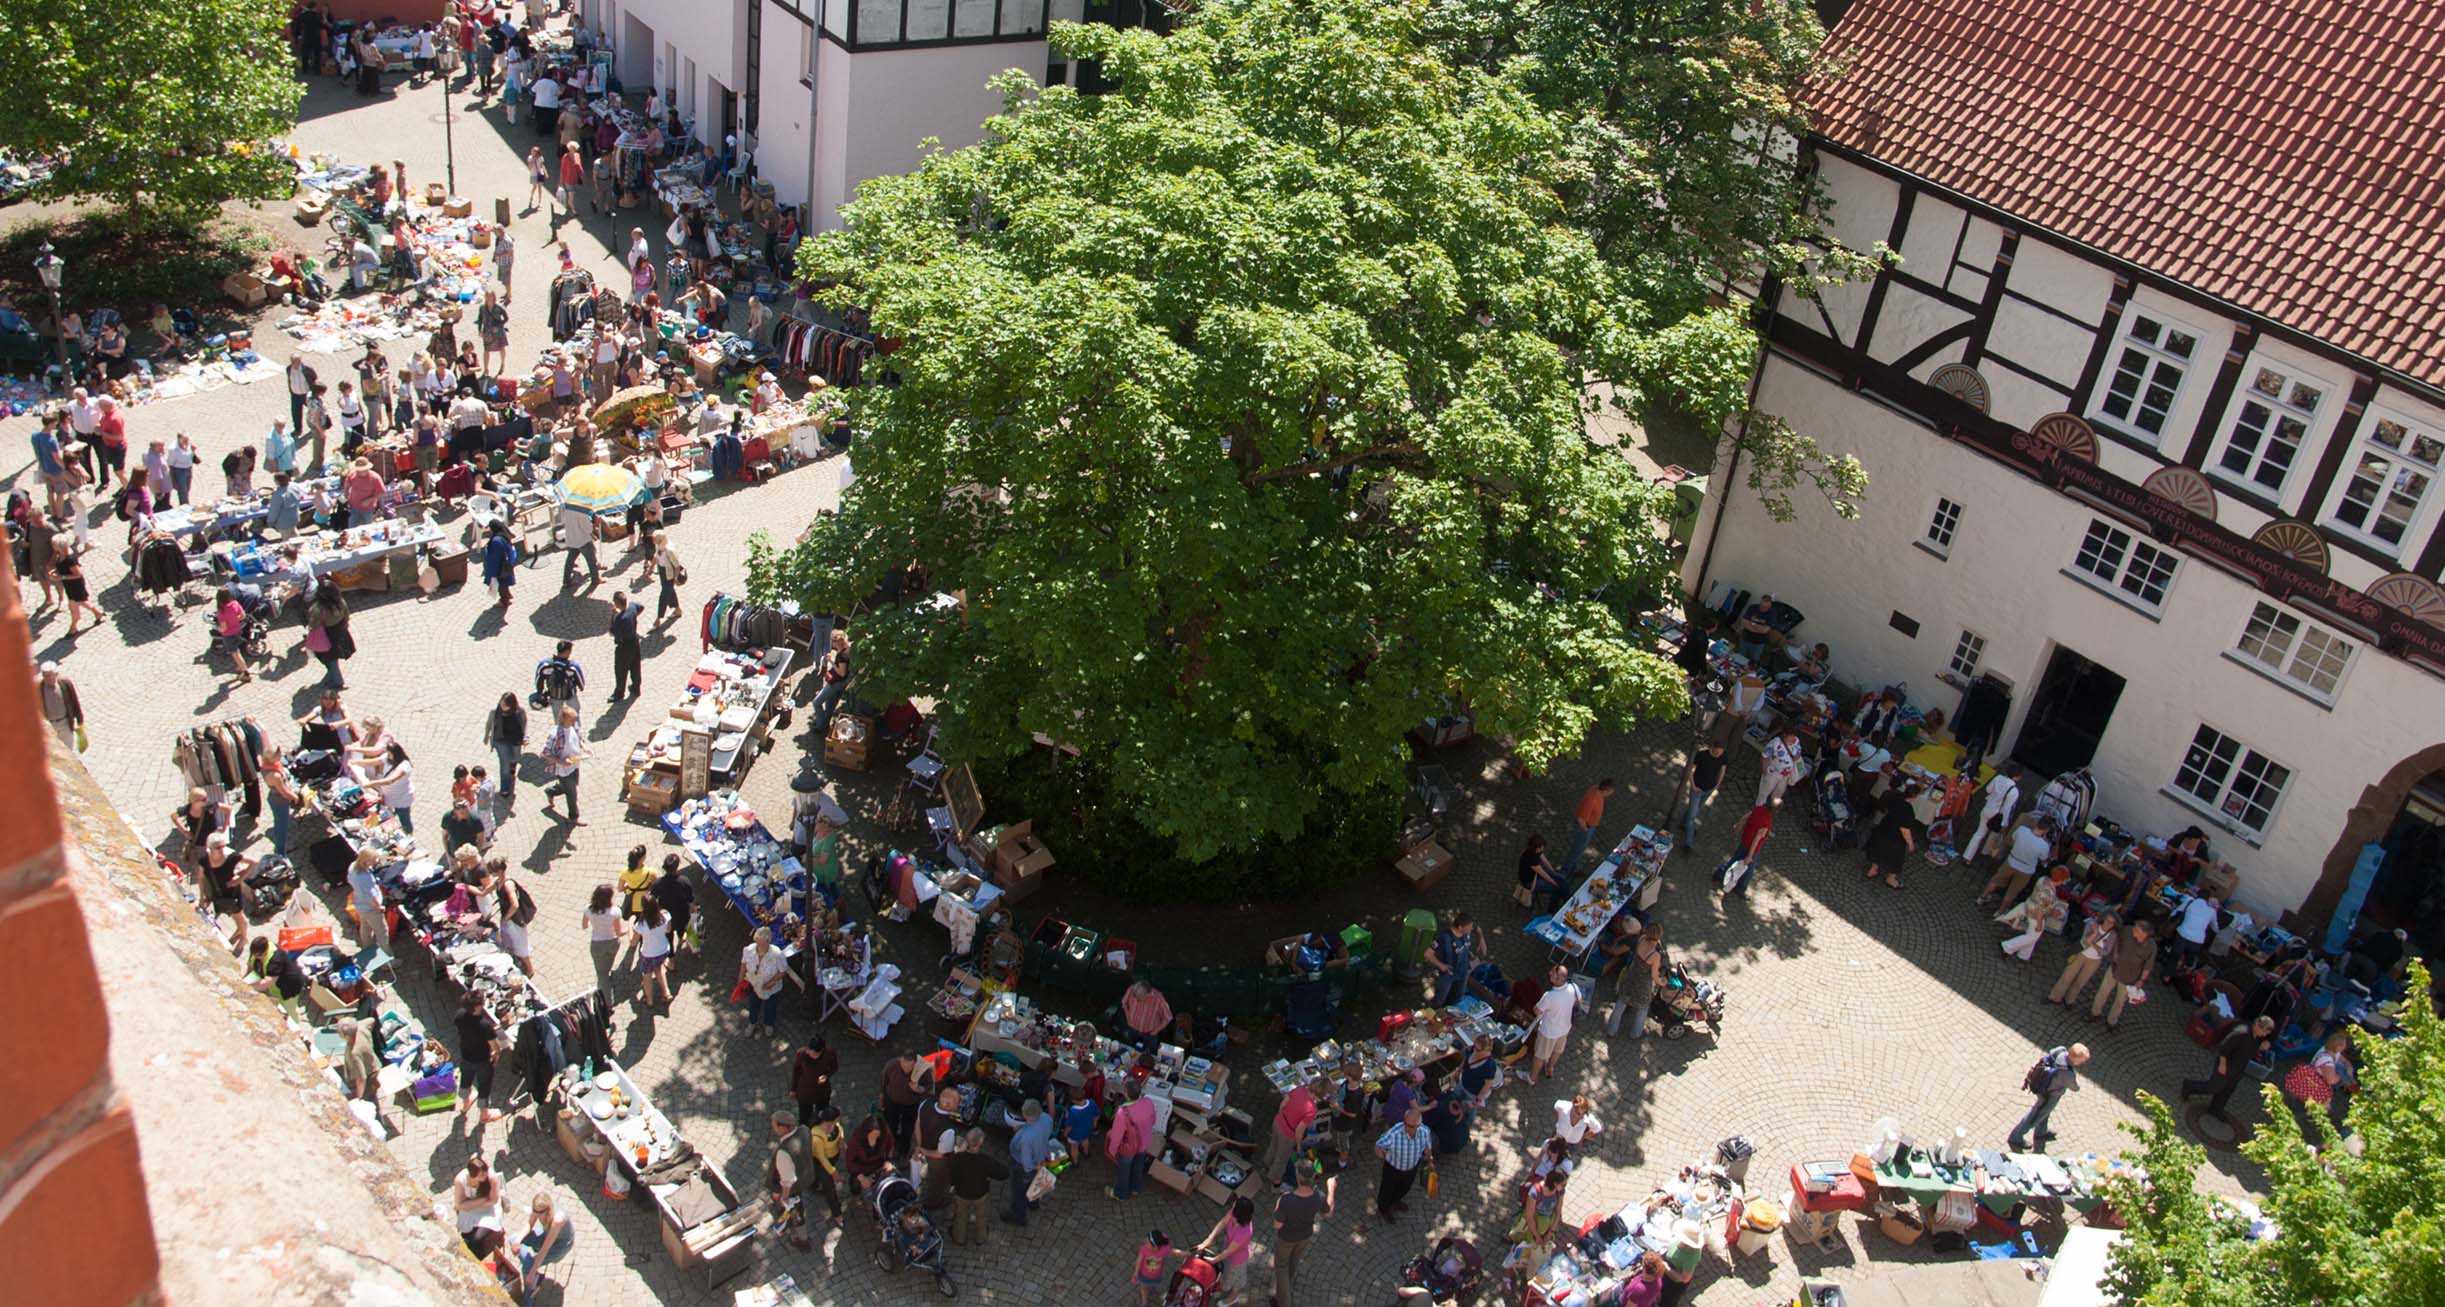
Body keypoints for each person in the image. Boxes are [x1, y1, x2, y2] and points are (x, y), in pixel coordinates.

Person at [2183, 1015, 2274, 1125]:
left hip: (2238, 1068)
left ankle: (2215, 1110)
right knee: (2213, 1087)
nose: (2264, 1035)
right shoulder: (2241, 1033)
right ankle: (2188, 1086)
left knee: (2227, 1090)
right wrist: (2222, 1064)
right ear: (2258, 1026)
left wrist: (2260, 1047)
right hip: (2226, 1064)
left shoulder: (2257, 1037)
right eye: (2264, 1032)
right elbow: (2224, 1047)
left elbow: (2248, 1049)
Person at [1272, 1159, 1332, 1305]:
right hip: (1305, 1237)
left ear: (1298, 1177)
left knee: (1281, 1266)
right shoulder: (1319, 1196)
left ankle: (1284, 1301)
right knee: (1294, 1260)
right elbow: (1328, 1213)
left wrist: (1278, 1205)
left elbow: (1277, 1225)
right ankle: (1287, 1284)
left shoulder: (1286, 1199)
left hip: (1286, 1238)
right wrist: (1331, 1189)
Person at [2009, 1043, 2088, 1151]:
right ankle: (2015, 1138)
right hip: (2049, 1096)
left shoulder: (2060, 1050)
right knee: (2034, 1117)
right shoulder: (2067, 1073)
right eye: (2082, 1060)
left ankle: (2041, 1132)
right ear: (2075, 1059)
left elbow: (2050, 1054)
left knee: (2045, 1113)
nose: (2083, 1062)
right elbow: (2075, 1088)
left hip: (2042, 1086)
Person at [2283, 1029, 2355, 1136]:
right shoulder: (2326, 1060)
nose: (2345, 1047)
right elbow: (2331, 1080)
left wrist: (2348, 1066)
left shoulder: (2330, 1051)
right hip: (2313, 1087)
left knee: (2343, 1072)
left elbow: (2343, 1060)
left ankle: (2354, 1090)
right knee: (2302, 1108)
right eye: (2343, 1045)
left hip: (2311, 1084)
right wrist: (2342, 1077)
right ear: (2338, 1046)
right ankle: (2288, 1125)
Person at [945, 1127, 1008, 1248]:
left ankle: (960, 1238)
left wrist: (954, 1184)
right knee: (981, 1217)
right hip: (980, 1194)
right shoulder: (985, 1159)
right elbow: (1004, 1173)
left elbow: (952, 1175)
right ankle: (980, 1238)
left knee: (961, 1216)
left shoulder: (958, 1158)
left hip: (961, 1194)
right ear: (980, 1142)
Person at [194, 832, 255, 955]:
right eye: (218, 847)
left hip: (231, 893)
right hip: (217, 893)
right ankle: (239, 930)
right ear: (210, 848)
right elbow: (200, 877)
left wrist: (239, 879)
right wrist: (202, 896)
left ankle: (243, 938)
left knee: (238, 916)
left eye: (224, 846)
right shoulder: (204, 860)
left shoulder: (231, 857)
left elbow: (254, 863)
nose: (222, 849)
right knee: (231, 914)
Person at [1978, 812, 2056, 908]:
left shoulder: (2022, 830)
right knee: (2012, 892)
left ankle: (1982, 897)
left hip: (2011, 861)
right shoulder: (2044, 845)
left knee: (1996, 880)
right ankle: (2000, 912)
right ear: (2047, 830)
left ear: (2037, 822)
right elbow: (2043, 860)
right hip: (2026, 870)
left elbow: (2013, 840)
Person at [2092, 920, 2158, 1028]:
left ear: (2144, 934)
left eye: (2137, 930)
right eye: (2135, 927)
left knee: (2120, 1001)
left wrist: (2141, 980)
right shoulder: (2127, 930)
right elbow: (2118, 937)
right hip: (2114, 969)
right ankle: (2095, 1013)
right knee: (2103, 992)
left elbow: (2148, 966)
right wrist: (2115, 952)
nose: (2133, 930)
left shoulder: (2151, 947)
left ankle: (2111, 1022)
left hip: (2130, 979)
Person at [768, 1111, 818, 1249]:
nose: (773, 1127)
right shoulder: (804, 1130)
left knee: (795, 1212)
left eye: (774, 1125)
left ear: (783, 1127)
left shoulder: (784, 1152)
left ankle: (801, 1238)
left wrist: (784, 1198)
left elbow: (787, 1181)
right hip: (804, 1177)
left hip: (792, 1189)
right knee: (794, 1209)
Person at [2048, 911, 2120, 1007]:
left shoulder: (2112, 935)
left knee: (2080, 982)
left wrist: (2092, 943)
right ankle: (2054, 997)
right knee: (2067, 976)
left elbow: (2105, 952)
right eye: (2107, 920)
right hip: (2081, 954)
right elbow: (2085, 941)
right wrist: (2095, 933)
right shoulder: (2092, 925)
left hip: (2094, 961)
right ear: (2103, 919)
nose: (2108, 924)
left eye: (2112, 923)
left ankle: (2069, 1001)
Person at [1196, 1196, 1258, 1307]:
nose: (1232, 1206)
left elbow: (1228, 1252)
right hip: (1229, 1252)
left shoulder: (1244, 1233)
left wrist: (1214, 1260)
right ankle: (1225, 1284)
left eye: (1234, 1206)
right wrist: (1209, 1238)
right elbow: (1223, 1223)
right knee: (1227, 1271)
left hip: (1237, 1260)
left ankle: (1233, 1298)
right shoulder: (1234, 1212)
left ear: (1239, 1215)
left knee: (1237, 1280)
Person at [513, 1191, 573, 1306]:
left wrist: (532, 1272)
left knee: (528, 1269)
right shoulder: (539, 1208)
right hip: (546, 1235)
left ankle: (527, 1300)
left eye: (539, 1212)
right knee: (513, 1238)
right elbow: (529, 1224)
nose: (536, 1214)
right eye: (534, 1211)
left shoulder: (557, 1220)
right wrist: (518, 1241)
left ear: (548, 1209)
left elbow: (545, 1249)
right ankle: (532, 1269)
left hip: (559, 1247)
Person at [454, 990, 505, 1125]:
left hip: (466, 1056)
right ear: (477, 1006)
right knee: (484, 1086)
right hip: (482, 1061)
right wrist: (496, 1054)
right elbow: (494, 1046)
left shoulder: (459, 1015)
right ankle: (485, 1114)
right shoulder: (485, 1025)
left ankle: (465, 1103)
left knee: (465, 1080)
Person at [1373, 1105, 1430, 1222]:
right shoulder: (1395, 1132)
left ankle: (1395, 1201)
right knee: (1387, 1190)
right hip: (1393, 1169)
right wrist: (1379, 1150)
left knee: (1405, 1187)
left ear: (1418, 1125)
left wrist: (1429, 1159)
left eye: (1411, 1126)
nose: (1406, 1128)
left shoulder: (1425, 1132)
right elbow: (1379, 1144)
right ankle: (1384, 1209)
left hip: (1411, 1168)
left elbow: (1427, 1147)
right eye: (1405, 1124)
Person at [1004, 1098, 1055, 1226]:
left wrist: (1032, 1168)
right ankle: (1033, 1203)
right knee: (1035, 1182)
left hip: (1023, 1165)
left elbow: (1027, 1164)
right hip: (1041, 1157)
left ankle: (1019, 1215)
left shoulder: (1026, 1137)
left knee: (1019, 1190)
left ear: (1026, 1115)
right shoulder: (1046, 1118)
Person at [1105, 1081, 1158, 1201]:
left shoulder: (1123, 1112)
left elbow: (1116, 1135)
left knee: (1124, 1171)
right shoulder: (1148, 1102)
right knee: (1138, 1167)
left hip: (1129, 1147)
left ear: (1126, 1094)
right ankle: (1135, 1188)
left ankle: (1121, 1194)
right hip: (1144, 1142)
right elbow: (1153, 1120)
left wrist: (1112, 1150)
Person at [1718, 797, 1779, 899]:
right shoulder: (1766, 822)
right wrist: (1750, 856)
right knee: (1748, 872)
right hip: (1751, 848)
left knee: (1734, 860)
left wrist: (1738, 826)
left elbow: (1745, 817)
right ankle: (1740, 889)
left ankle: (1720, 875)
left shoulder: (1759, 809)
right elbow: (1756, 839)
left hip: (1744, 841)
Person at [1526, 965, 1577, 1085]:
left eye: (1552, 973)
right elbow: (1577, 1001)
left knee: (1540, 1056)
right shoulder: (1573, 988)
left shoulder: (1549, 996)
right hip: (1564, 1029)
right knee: (1557, 1050)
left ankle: (1532, 1078)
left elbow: (1537, 1011)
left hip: (1549, 1032)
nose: (1549, 973)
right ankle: (1550, 1069)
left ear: (1558, 979)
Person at [539, 704, 588, 824]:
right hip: (563, 770)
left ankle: (551, 791)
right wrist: (561, 762)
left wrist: (584, 746)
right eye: (572, 719)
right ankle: (574, 817)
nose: (575, 721)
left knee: (570, 786)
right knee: (572, 793)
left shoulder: (573, 726)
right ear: (565, 719)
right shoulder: (555, 734)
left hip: (575, 763)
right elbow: (545, 754)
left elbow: (578, 737)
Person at [1427, 911, 1487, 1009]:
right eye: (1469, 927)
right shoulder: (1444, 938)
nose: (1471, 928)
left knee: (1456, 999)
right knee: (1439, 1001)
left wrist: (1480, 937)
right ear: (1460, 927)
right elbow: (1428, 954)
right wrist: (1441, 965)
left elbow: (1479, 932)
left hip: (1463, 972)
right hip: (1447, 975)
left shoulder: (1468, 930)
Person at [1267, 1079, 1318, 1189]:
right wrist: (1299, 1145)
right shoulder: (1311, 1110)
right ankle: (1276, 1183)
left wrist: (1281, 1118)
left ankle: (1268, 1163)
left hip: (1278, 1122)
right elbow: (1299, 1130)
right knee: (1282, 1159)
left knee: (1274, 1145)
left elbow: (1283, 1103)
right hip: (1288, 1134)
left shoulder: (1299, 1089)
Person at [1861, 792, 1918, 891]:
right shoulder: (1907, 809)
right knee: (1896, 859)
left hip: (1882, 831)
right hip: (1894, 838)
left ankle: (1873, 869)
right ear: (1915, 796)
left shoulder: (1894, 798)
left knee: (1878, 850)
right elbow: (1904, 830)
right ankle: (1891, 879)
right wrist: (1911, 844)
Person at [1972, 762, 2026, 866]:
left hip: (1988, 807)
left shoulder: (1998, 778)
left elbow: (1988, 790)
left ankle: (1967, 857)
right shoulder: (2014, 791)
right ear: (2017, 777)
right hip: (1997, 815)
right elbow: (2006, 809)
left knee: (1979, 833)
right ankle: (1985, 852)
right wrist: (2005, 824)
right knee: (1994, 834)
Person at [881, 1051, 932, 1160]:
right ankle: (892, 1145)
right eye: (903, 1065)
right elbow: (884, 1082)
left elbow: (928, 1086)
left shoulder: (922, 1070)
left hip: (910, 1105)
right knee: (890, 1126)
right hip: (892, 1102)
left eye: (909, 1067)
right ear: (901, 1060)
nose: (906, 1069)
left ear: (915, 1063)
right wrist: (882, 1096)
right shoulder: (892, 1065)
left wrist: (918, 1089)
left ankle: (904, 1151)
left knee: (907, 1130)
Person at [304, 579, 354, 689]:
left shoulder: (318, 609)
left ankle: (337, 681)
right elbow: (347, 615)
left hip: (326, 636)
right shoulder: (341, 602)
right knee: (333, 658)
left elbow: (314, 624)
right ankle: (333, 675)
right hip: (340, 632)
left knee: (331, 660)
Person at [741, 926, 790, 1035]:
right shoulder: (749, 950)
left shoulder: (777, 954)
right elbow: (743, 964)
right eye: (757, 942)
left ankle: (768, 1024)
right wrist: (740, 980)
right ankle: (752, 1023)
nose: (758, 946)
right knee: (753, 1004)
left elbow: (782, 971)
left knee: (770, 1006)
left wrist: (772, 982)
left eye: (761, 944)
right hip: (754, 984)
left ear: (768, 941)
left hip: (770, 987)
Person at [452, 1155, 504, 1256]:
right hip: (472, 1208)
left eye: (485, 1172)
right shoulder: (460, 1180)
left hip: (488, 1209)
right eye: (481, 1175)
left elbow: (493, 1200)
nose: (485, 1176)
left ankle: (479, 1254)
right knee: (466, 1234)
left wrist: (470, 1204)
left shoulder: (491, 1177)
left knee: (477, 1238)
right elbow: (459, 1205)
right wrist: (482, 1200)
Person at [582, 883, 628, 997]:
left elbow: (585, 925)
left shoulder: (588, 909)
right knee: (609, 962)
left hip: (597, 944)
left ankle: (607, 1000)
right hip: (612, 942)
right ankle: (607, 976)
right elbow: (619, 932)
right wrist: (629, 928)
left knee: (602, 974)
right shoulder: (615, 911)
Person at [1563, 778, 1615, 873]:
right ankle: (1566, 871)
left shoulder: (1596, 788)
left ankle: (1575, 867)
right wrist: (1586, 831)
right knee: (1577, 849)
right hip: (1584, 828)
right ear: (1606, 790)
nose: (1611, 794)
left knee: (1580, 848)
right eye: (1611, 792)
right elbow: (1580, 819)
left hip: (1589, 826)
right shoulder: (1592, 800)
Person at [1682, 741, 1727, 851]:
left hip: (1709, 790)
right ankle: (1689, 843)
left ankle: (1684, 823)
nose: (1718, 755)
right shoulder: (1702, 755)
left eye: (1720, 753)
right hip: (1697, 789)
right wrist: (1693, 785)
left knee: (1695, 809)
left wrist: (1717, 785)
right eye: (1716, 752)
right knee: (1693, 816)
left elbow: (1723, 770)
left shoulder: (1723, 757)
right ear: (1712, 747)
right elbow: (1691, 769)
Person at [632, 897, 676, 1009]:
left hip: (648, 954)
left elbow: (633, 943)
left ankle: (650, 1001)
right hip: (663, 950)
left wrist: (629, 925)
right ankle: (666, 993)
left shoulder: (641, 925)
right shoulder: (665, 915)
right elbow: (668, 930)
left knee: (647, 976)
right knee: (659, 968)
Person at [52, 542, 100, 634]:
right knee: (82, 602)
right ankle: (98, 613)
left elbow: (78, 574)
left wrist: (61, 577)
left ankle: (73, 628)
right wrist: (55, 571)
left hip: (75, 586)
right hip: (69, 585)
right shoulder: (60, 556)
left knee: (73, 606)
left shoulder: (70, 559)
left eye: (54, 545)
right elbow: (62, 567)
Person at [1512, 1170, 1566, 1249]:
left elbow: (1558, 1213)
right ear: (1555, 1184)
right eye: (1563, 1185)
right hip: (1533, 1223)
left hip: (1547, 1223)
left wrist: (1550, 1233)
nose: (1564, 1187)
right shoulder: (1535, 1192)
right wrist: (1536, 1236)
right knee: (1524, 1245)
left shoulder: (1560, 1192)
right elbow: (1529, 1216)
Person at [607, 590, 644, 700]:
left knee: (621, 670)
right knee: (635, 666)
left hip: (624, 646)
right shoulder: (632, 607)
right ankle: (636, 688)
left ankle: (619, 692)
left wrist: (613, 616)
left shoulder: (620, 619)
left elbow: (612, 632)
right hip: (635, 642)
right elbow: (641, 607)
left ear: (617, 603)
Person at [38, 663, 83, 752]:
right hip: (49, 726)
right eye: (46, 676)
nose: (48, 679)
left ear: (56, 674)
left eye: (51, 676)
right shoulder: (39, 688)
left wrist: (80, 721)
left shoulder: (65, 684)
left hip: (65, 723)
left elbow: (74, 702)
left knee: (68, 750)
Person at [1120, 976, 1172, 1051]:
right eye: (1135, 996)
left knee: (1149, 1054)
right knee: (1131, 1050)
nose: (1136, 1000)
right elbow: (1124, 1003)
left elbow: (1168, 1017)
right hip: (1132, 1029)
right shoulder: (1131, 989)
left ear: (1148, 994)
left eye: (1139, 997)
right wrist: (1128, 1018)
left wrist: (1155, 1031)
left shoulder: (1159, 998)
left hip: (1149, 1033)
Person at [1755, 728, 1803, 807]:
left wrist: (1796, 757)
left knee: (1778, 794)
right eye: (1791, 736)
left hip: (1785, 776)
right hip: (1772, 773)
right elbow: (1764, 756)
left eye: (1794, 735)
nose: (1793, 738)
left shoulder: (1796, 740)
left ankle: (1773, 809)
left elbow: (1799, 752)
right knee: (1764, 792)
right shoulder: (1775, 743)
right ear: (1785, 735)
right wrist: (1764, 770)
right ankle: (1758, 808)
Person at [482, 522, 520, 610]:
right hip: (506, 565)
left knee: (501, 585)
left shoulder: (496, 541)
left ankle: (504, 601)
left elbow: (494, 557)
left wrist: (492, 572)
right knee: (504, 584)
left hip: (500, 568)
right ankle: (508, 595)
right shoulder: (504, 536)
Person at [1427, 1085, 1472, 1157]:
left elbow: (1425, 1122)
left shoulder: (1438, 1109)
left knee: (1423, 1129)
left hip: (1448, 1146)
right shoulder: (1452, 1096)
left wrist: (1427, 1107)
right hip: (1463, 1137)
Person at [1734, 593, 1777, 661]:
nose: (1762, 608)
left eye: (1765, 607)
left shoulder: (1772, 614)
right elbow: (1744, 622)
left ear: (1769, 606)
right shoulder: (1752, 607)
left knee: (1753, 661)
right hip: (1745, 638)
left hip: (1758, 644)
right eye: (1761, 605)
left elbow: (1765, 630)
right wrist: (1759, 629)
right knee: (1740, 658)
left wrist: (1752, 624)